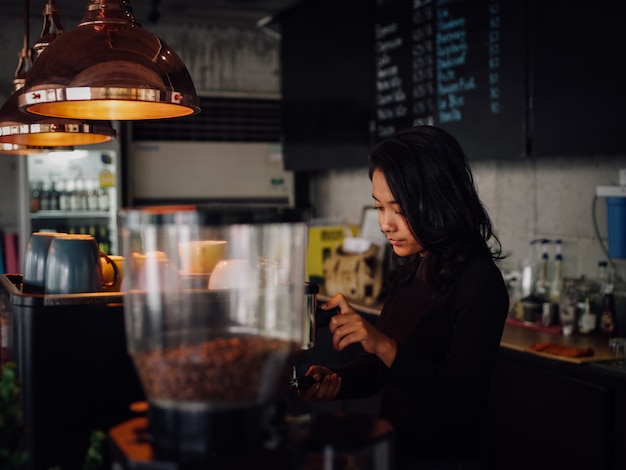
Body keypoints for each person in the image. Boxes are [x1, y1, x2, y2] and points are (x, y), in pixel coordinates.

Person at [299, 125, 509, 469]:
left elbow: (463, 398)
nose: (385, 224)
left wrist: (381, 343)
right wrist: (338, 381)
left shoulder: (479, 281)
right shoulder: (413, 267)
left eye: (399, 209)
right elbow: (384, 370)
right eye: (380, 208)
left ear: (441, 200)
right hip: (398, 452)